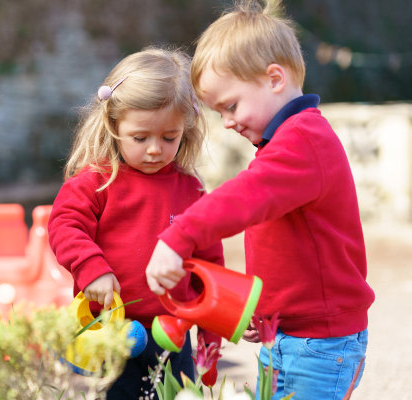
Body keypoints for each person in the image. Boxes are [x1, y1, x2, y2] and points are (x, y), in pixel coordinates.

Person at [145, 1, 375, 399]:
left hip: (320, 344)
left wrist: (178, 237)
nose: (228, 122)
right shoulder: (284, 144)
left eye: (231, 106)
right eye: (220, 112)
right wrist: (267, 309)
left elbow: (244, 198)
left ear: (274, 79)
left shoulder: (304, 141)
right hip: (288, 335)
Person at [47, 47, 224, 399]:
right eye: (140, 138)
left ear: (185, 129)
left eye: (169, 137)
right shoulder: (98, 180)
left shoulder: (192, 190)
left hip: (174, 336)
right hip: (113, 333)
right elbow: (65, 224)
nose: (155, 149)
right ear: (115, 125)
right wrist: (91, 267)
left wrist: (210, 342)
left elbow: (210, 269)